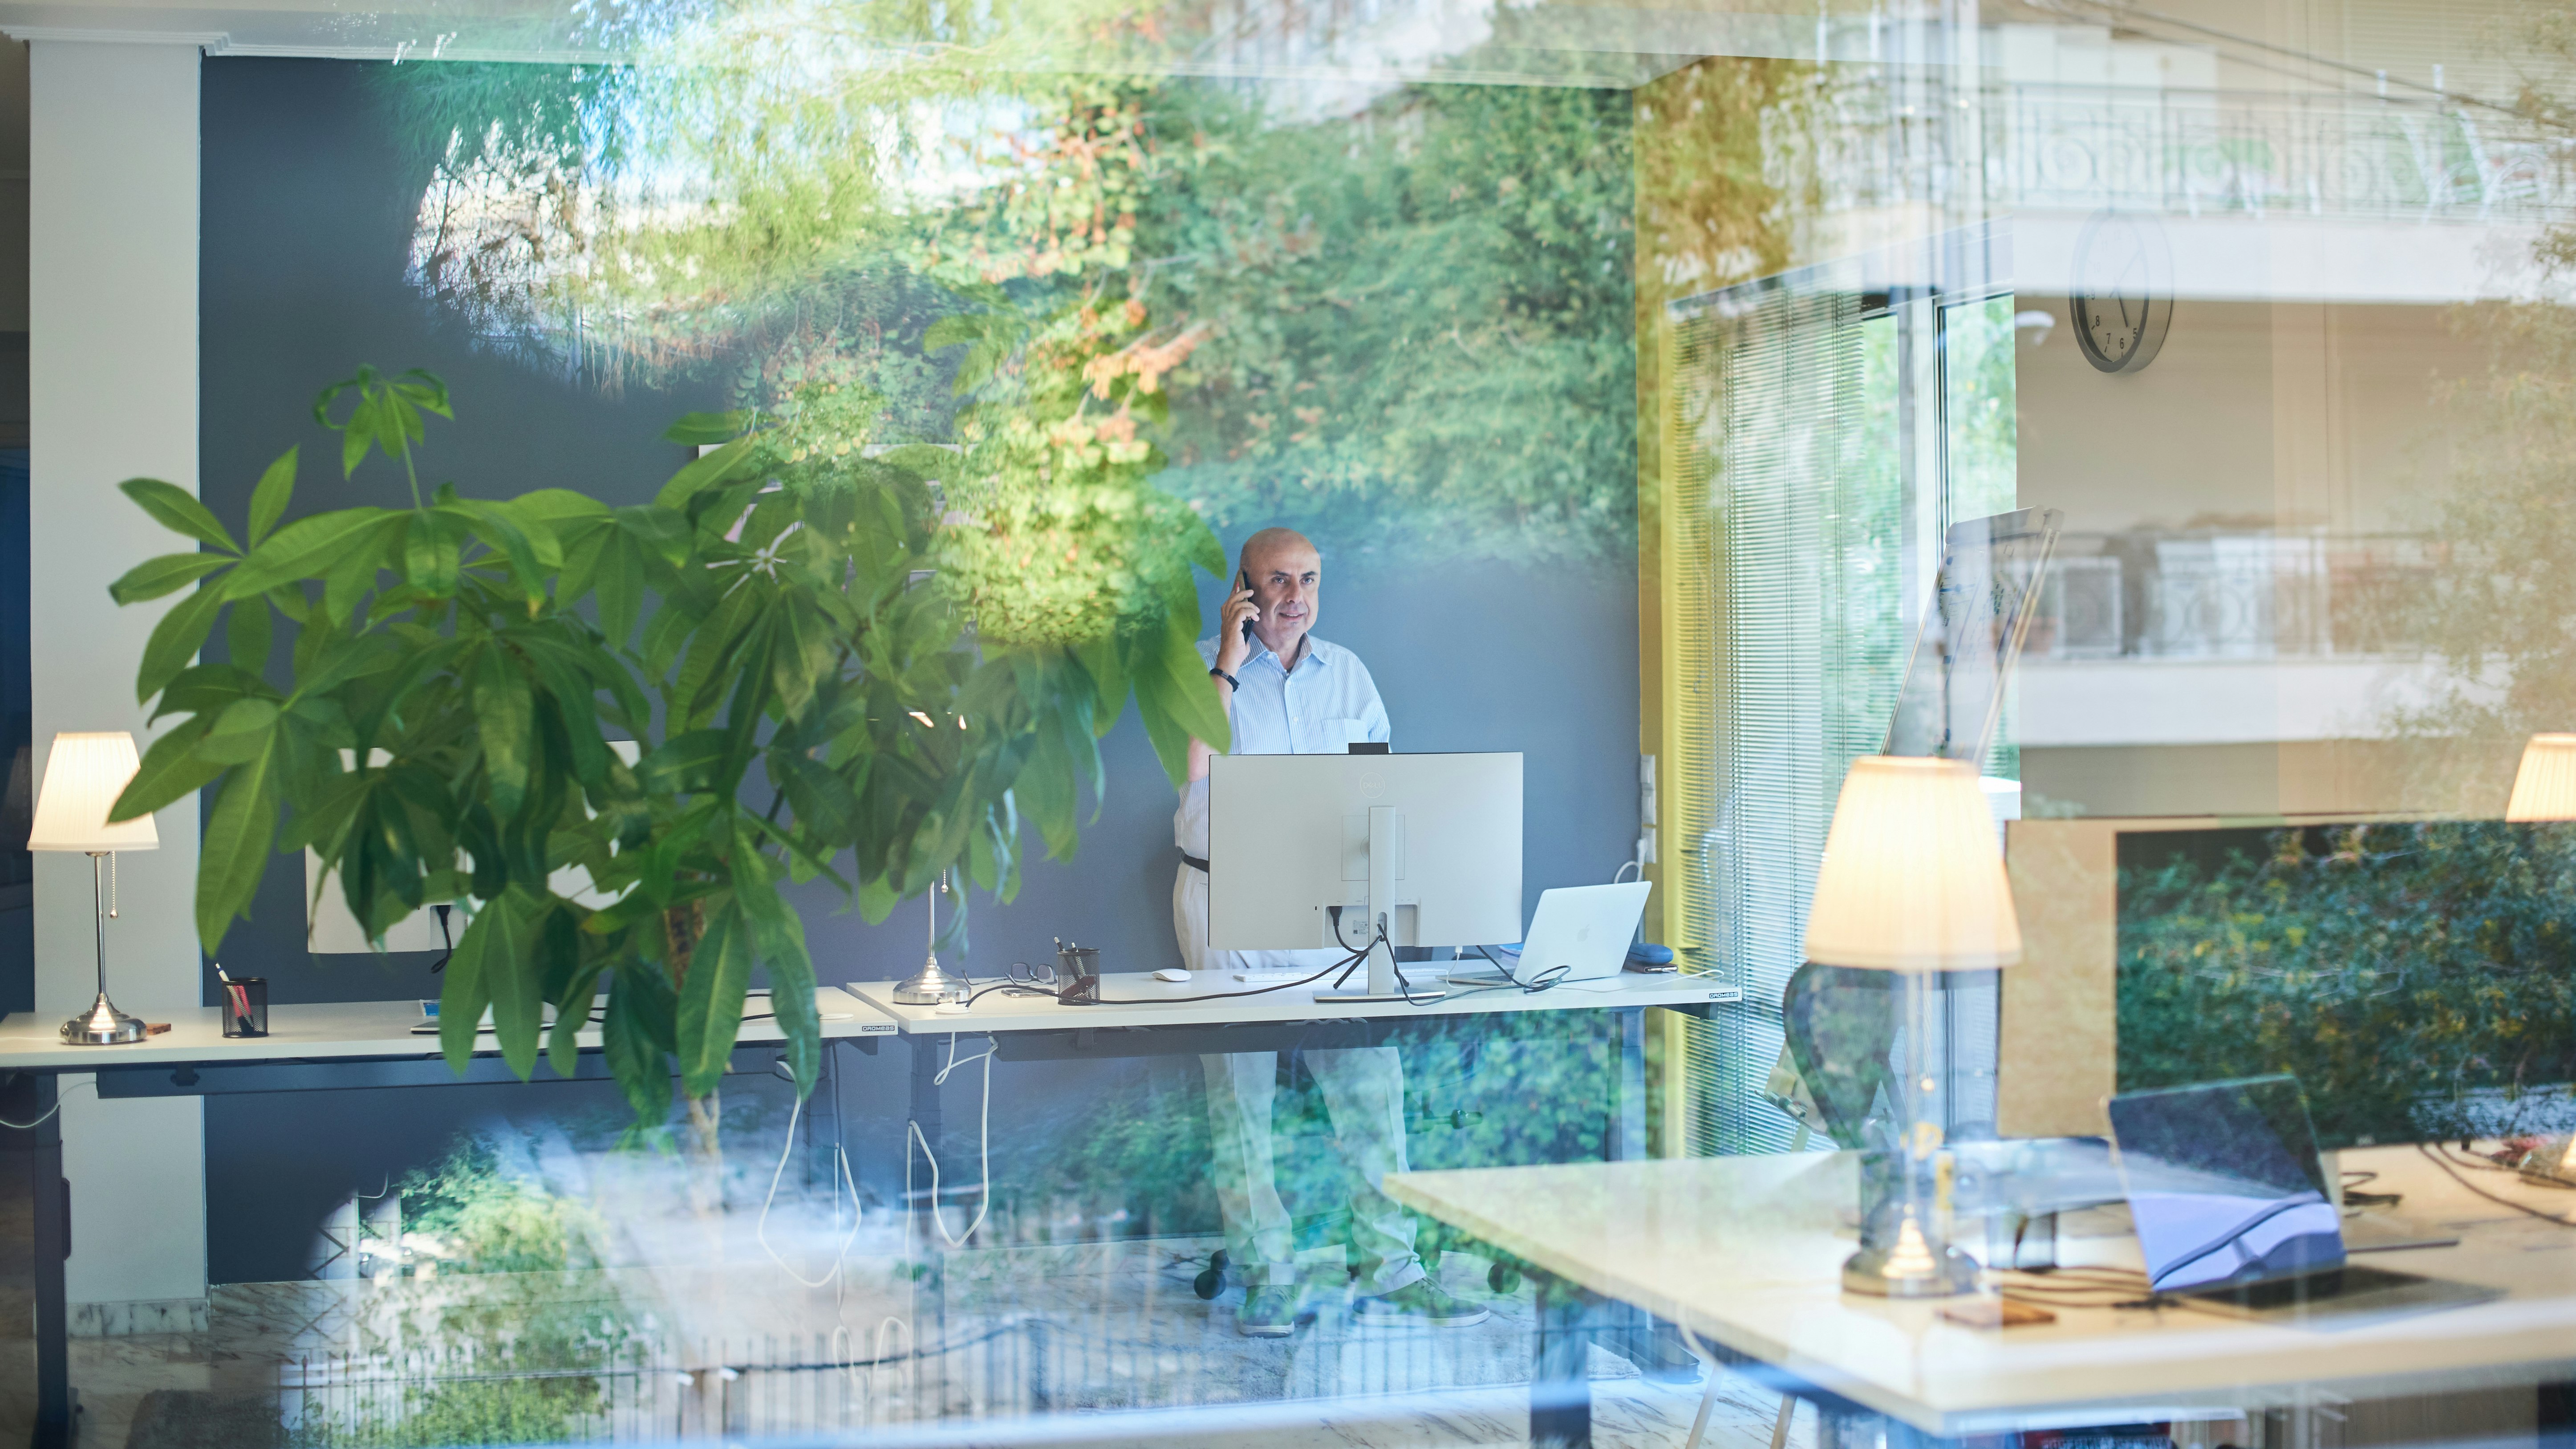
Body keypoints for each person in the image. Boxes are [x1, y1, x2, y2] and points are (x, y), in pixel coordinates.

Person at [1170, 527, 1489, 1338]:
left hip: (1327, 905)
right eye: (1278, 579)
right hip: (1224, 897)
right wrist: (1228, 667)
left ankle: (1391, 1263)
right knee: (1239, 1096)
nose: (1296, 595)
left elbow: (1377, 787)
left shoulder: (1347, 673)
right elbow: (1198, 770)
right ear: (1243, 585)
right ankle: (1265, 1273)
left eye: (1309, 579)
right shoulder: (1205, 669)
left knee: (1370, 1081)